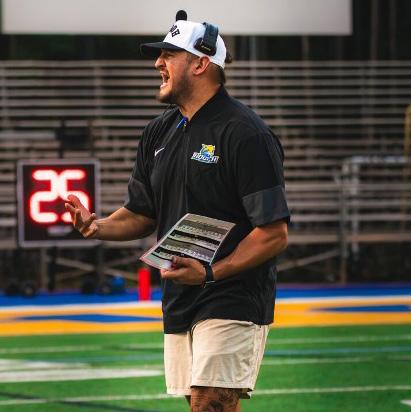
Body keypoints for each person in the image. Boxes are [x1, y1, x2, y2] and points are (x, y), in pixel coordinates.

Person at [65, 11, 290, 412]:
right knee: (200, 404)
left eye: (169, 54)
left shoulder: (246, 133)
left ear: (201, 63)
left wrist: (211, 272)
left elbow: (273, 233)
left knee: (209, 402)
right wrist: (96, 226)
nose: (158, 63)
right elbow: (141, 213)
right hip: (179, 294)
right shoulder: (158, 131)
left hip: (232, 293)